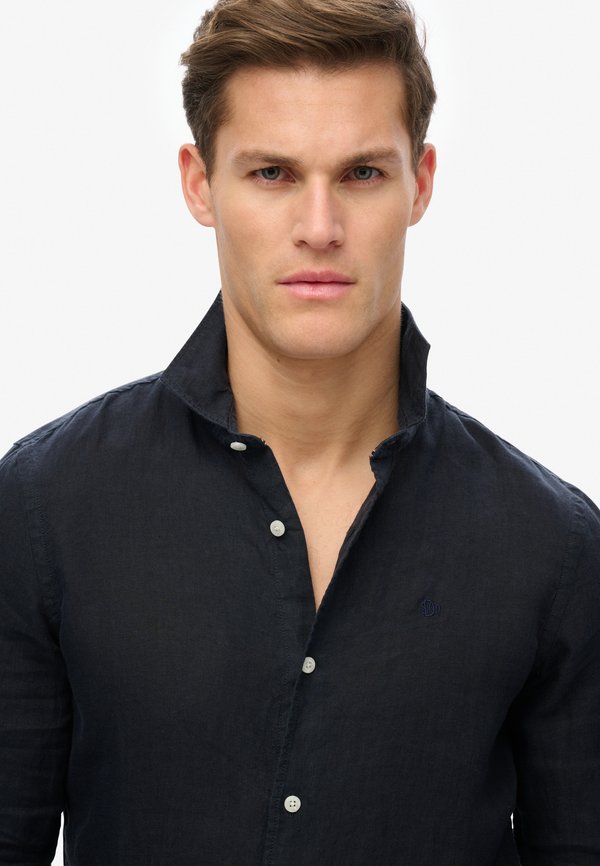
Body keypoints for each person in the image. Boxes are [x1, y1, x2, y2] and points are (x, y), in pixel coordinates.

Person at [1, 0, 598, 863]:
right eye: (273, 173)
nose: (319, 228)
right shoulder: (45, 508)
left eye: (362, 173)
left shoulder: (554, 548)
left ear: (421, 183)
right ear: (200, 184)